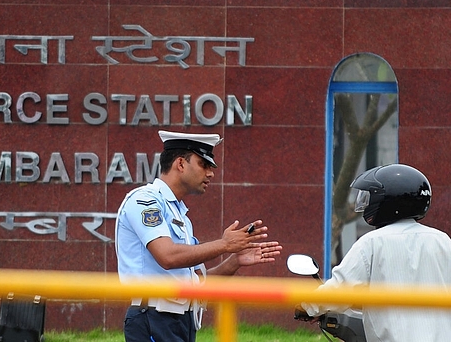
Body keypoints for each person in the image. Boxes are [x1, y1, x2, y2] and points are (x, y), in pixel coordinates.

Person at [115, 130, 283, 342]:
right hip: (152, 318)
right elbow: (167, 257)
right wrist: (224, 244)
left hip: (181, 321)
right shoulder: (145, 201)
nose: (211, 173)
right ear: (180, 164)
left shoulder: (181, 216)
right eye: (204, 164)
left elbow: (198, 283)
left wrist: (234, 262)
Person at [299, 163, 451, 342]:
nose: (365, 203)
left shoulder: (371, 243)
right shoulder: (443, 241)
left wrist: (307, 307)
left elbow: (340, 290)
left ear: (387, 201)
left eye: (370, 197)